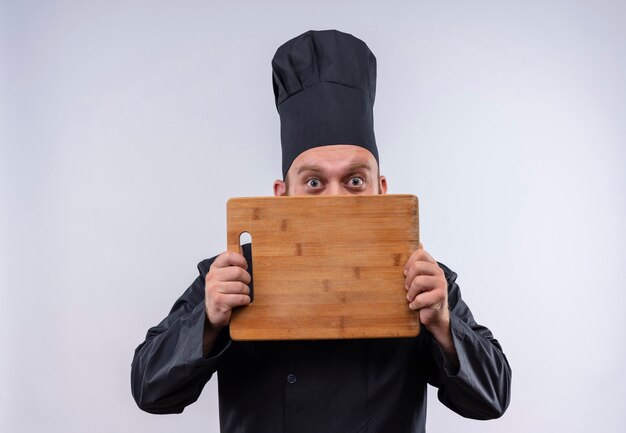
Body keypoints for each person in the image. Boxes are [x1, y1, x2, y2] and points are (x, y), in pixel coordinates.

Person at [131, 30, 511, 433]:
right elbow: (148, 390)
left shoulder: (422, 279)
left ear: (381, 190)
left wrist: (443, 325)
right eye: (314, 182)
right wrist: (207, 321)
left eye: (355, 181)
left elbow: (492, 399)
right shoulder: (232, 276)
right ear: (282, 195)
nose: (335, 199)